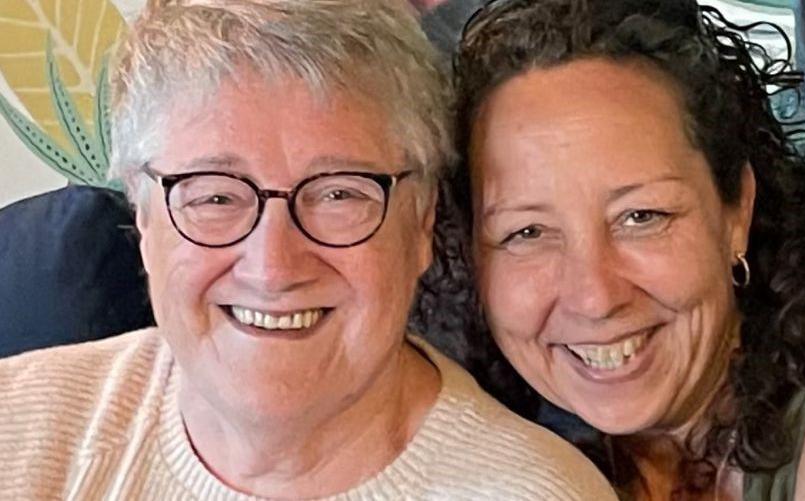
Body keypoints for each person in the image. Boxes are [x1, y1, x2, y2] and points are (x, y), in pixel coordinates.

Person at [0, 1, 618, 499]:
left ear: (422, 224)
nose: (273, 267)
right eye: (214, 197)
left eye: (337, 194)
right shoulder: (18, 425)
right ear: (144, 218)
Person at [428, 0, 805, 498]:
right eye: (528, 233)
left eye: (641, 217)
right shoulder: (499, 446)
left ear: (736, 212)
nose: (595, 297)